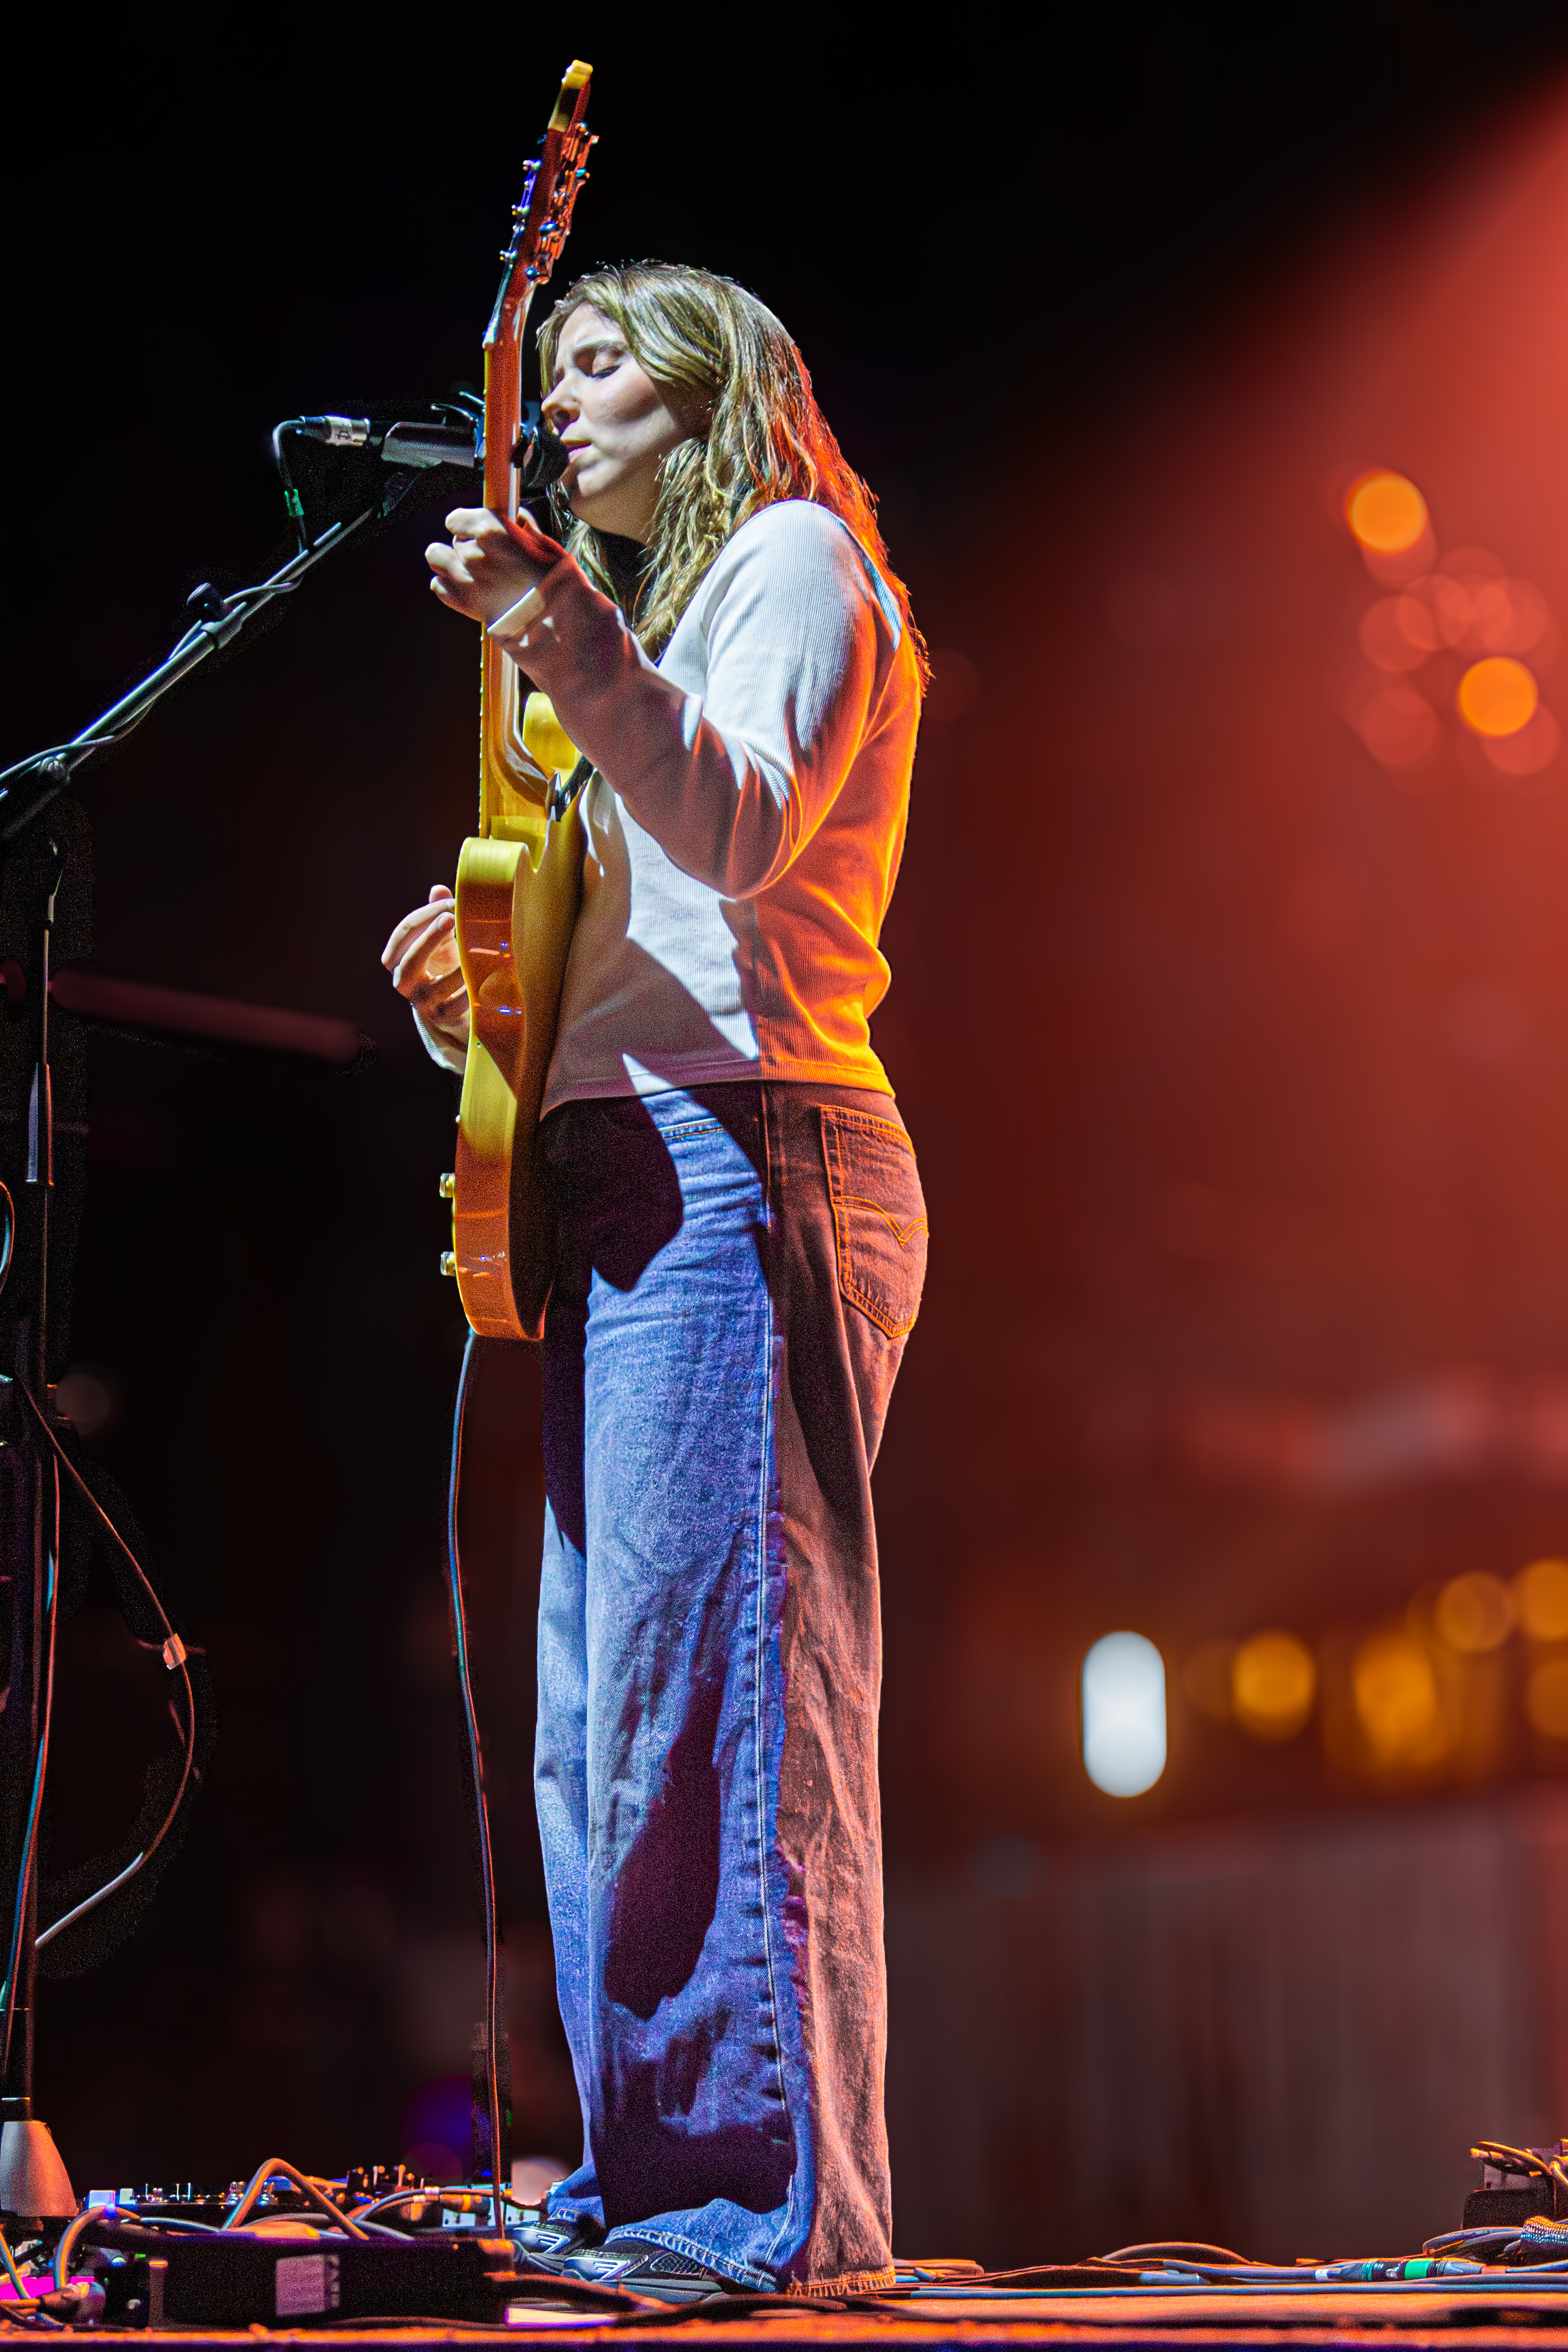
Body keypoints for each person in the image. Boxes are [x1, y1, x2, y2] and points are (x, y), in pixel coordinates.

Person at [381, 264, 928, 2300]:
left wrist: (552, 621)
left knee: (717, 1703)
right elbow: (636, 938)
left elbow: (743, 833)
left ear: (717, 390)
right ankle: (659, 2181)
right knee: (611, 1724)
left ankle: (752, 2209)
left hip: (746, 1147)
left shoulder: (792, 558)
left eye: (602, 364)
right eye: (555, 369)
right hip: (626, 1161)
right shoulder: (653, 639)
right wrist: (475, 1000)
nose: (558, 404)